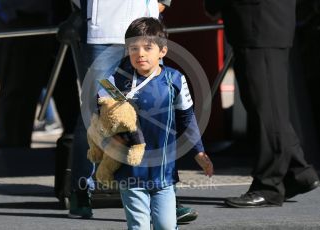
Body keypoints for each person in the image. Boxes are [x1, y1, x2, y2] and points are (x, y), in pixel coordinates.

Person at [96, 17, 213, 229]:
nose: (140, 53)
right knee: (138, 226)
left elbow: (187, 118)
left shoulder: (175, 79)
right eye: (133, 48)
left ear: (162, 52)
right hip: (130, 171)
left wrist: (199, 151)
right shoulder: (116, 80)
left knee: (166, 226)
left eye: (147, 48)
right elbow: (100, 109)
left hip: (164, 172)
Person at [204, 0, 319, 207]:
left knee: (266, 109)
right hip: (260, 20)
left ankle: (269, 185)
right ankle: (297, 171)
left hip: (258, 19)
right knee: (266, 106)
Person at [68, 0, 160, 219]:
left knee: (151, 110)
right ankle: (81, 190)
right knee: (94, 111)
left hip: (144, 31)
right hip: (104, 35)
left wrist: (158, 8)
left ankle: (159, 192)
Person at [0, 0, 80, 147]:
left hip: (45, 19)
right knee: (15, 92)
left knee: (34, 91)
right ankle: (11, 152)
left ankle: (20, 150)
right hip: (16, 18)